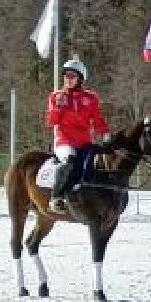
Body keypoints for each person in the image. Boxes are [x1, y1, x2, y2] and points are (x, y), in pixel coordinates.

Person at [45, 58, 111, 214]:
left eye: (72, 76)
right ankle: (56, 197)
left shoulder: (91, 97)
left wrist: (106, 133)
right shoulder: (56, 96)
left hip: (85, 142)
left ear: (80, 78)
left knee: (97, 162)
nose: (68, 79)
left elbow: (97, 119)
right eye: (66, 76)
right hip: (64, 141)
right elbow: (51, 121)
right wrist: (59, 107)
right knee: (71, 162)